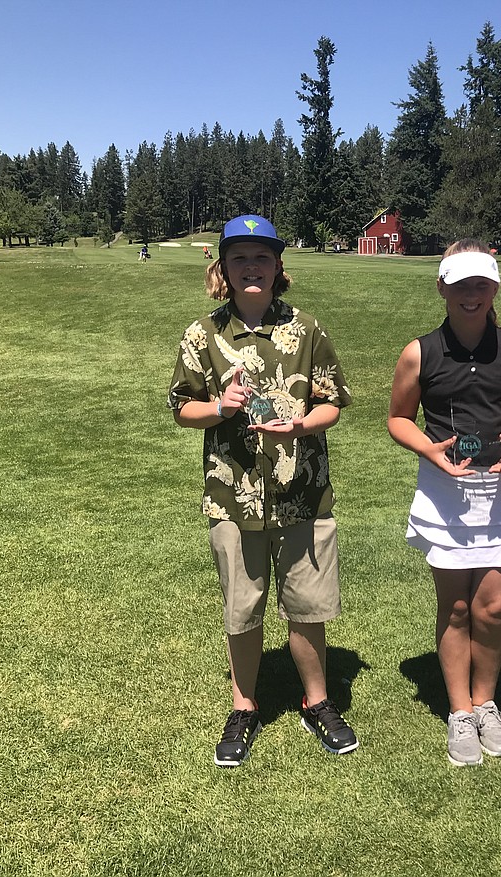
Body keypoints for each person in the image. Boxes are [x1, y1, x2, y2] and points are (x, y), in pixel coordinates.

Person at [168, 214, 358, 767]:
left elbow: (332, 404)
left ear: (279, 267)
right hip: (233, 495)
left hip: (302, 490)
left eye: (262, 258)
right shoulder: (203, 334)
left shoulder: (306, 329)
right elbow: (183, 408)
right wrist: (221, 408)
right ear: (223, 268)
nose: (251, 268)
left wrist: (299, 425)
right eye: (239, 258)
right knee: (242, 608)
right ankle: (244, 705)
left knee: (308, 607)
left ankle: (318, 701)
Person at [388, 240, 501, 766]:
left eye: (480, 284)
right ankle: (460, 711)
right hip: (445, 496)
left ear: (495, 287)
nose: (470, 294)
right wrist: (428, 450)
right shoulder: (420, 351)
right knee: (456, 606)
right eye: (460, 285)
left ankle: (486, 702)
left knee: (493, 607)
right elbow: (398, 418)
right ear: (442, 287)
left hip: (500, 494)